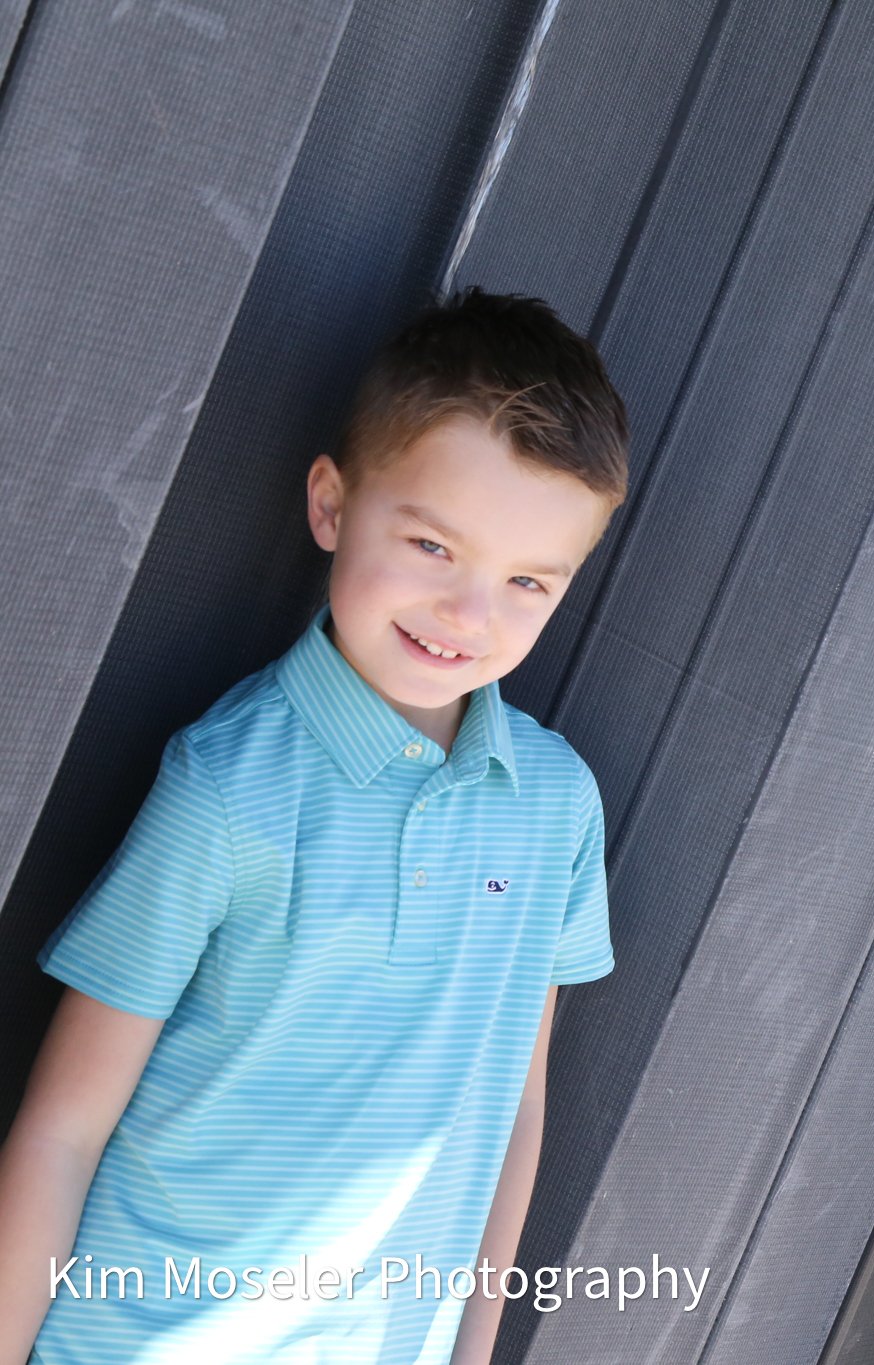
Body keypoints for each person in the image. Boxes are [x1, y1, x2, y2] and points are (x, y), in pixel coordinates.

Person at [0, 289, 629, 1365]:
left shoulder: (557, 808)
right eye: (432, 545)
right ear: (333, 506)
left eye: (526, 580)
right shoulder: (228, 785)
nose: (468, 614)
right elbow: (63, 1129)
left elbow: (511, 1116)